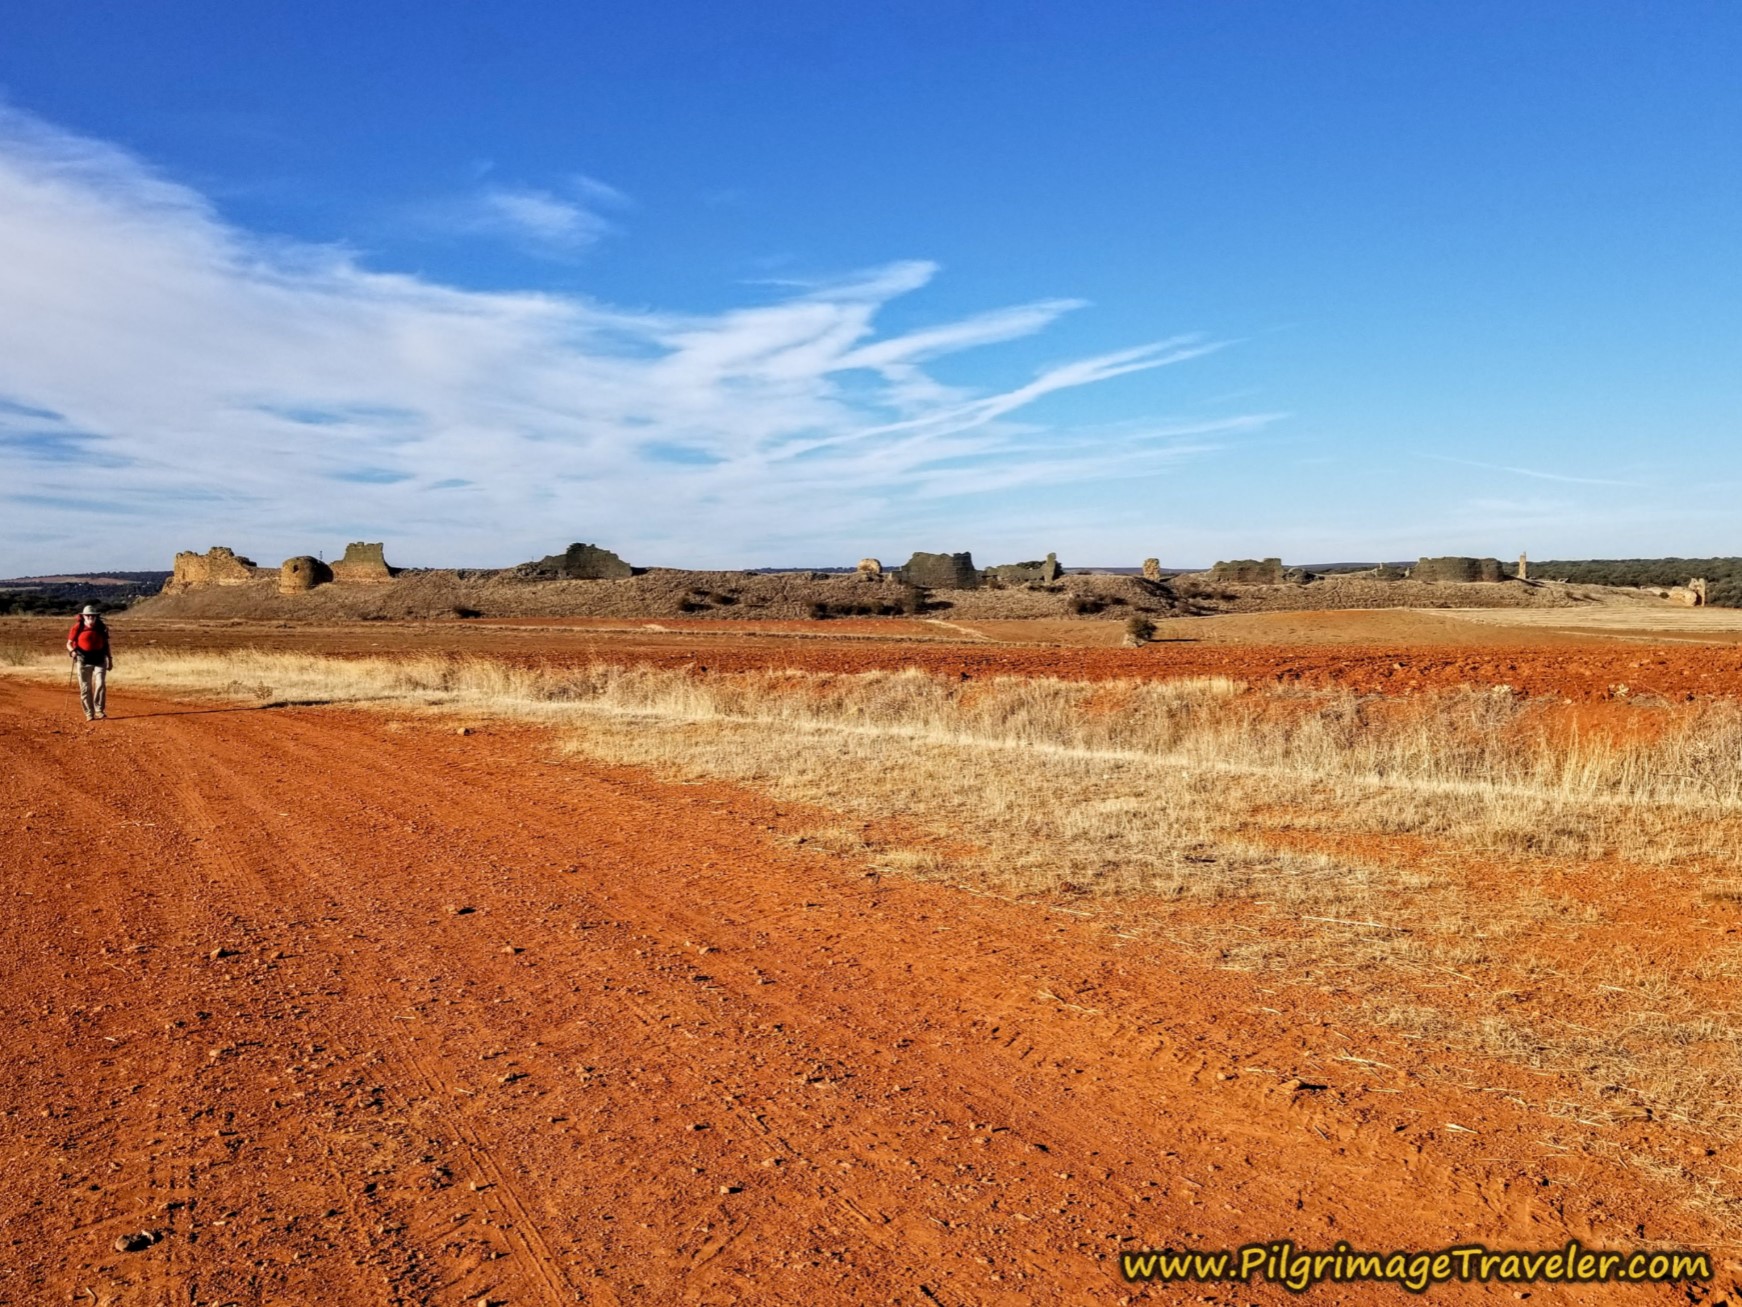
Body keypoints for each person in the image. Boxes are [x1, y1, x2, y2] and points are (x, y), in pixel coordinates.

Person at [66, 605, 114, 721]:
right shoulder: (78, 627)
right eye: (88, 616)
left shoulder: (101, 628)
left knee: (100, 683)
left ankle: (99, 710)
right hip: (83, 660)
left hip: (99, 659)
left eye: (93, 616)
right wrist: (72, 651)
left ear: (96, 617)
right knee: (85, 688)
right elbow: (69, 643)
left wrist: (110, 659)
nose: (90, 618)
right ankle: (89, 713)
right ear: (83, 617)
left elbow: (106, 644)